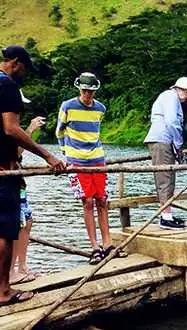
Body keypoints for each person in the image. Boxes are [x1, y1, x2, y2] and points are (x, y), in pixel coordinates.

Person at [1, 45, 66, 307]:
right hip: (4, 171)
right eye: (25, 69)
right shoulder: (7, 87)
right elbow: (10, 128)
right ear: (16, 63)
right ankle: (4, 291)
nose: (25, 74)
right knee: (5, 231)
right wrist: (48, 155)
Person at [55, 72, 125, 264]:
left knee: (102, 199)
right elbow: (59, 131)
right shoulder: (67, 106)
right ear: (79, 89)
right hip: (76, 160)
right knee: (87, 202)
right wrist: (65, 154)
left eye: (91, 91)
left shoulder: (100, 108)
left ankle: (108, 243)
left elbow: (96, 131)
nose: (88, 94)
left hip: (97, 158)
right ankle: (94, 247)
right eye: (85, 90)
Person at [144, 77, 187, 230]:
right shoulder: (171, 97)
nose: (186, 99)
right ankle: (165, 217)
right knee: (165, 178)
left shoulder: (169, 97)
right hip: (162, 141)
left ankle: (167, 214)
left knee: (169, 177)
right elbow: (172, 122)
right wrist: (178, 144)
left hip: (164, 141)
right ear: (182, 90)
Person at [9, 114, 45, 285]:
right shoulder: (8, 128)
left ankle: (21, 267)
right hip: (9, 183)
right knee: (17, 224)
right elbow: (16, 151)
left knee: (27, 222)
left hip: (18, 183)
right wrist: (30, 130)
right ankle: (10, 272)